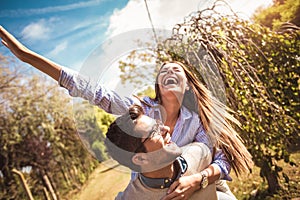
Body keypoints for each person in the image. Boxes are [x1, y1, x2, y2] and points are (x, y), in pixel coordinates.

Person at [0, 25, 253, 199]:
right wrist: (25, 56)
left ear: (187, 84)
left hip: (204, 188)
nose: (169, 72)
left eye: (177, 70)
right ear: (158, 85)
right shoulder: (141, 112)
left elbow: (220, 159)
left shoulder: (198, 119)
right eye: (163, 71)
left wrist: (197, 181)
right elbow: (94, 90)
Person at [105, 104, 218, 200]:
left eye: (159, 124)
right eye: (155, 131)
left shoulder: (199, 152)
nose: (166, 129)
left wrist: (201, 179)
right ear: (140, 159)